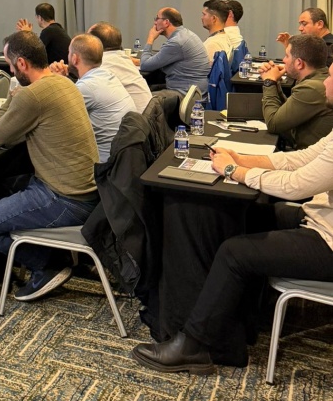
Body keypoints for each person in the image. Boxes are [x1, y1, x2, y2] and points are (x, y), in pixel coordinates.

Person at [131, 64, 333, 374]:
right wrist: (241, 158)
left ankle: (194, 346)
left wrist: (232, 170)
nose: (325, 82)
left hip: (327, 241)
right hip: (320, 219)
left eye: (331, 76)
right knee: (250, 215)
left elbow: (296, 185)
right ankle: (242, 319)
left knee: (234, 252)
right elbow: (300, 158)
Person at [0, 31, 99, 301]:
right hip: (87, 192)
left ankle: (48, 264)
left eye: (11, 65)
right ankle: (50, 253)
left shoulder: (32, 95)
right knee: (5, 184)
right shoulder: (64, 83)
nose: (10, 71)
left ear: (22, 63)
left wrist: (14, 94)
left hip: (65, 199)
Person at [62, 33, 135, 163]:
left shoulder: (87, 87)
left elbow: (54, 113)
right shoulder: (107, 75)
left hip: (102, 165)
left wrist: (53, 79)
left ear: (74, 58)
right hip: (123, 160)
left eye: (69, 52)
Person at [258, 34, 333, 150]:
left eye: (287, 56)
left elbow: (273, 124)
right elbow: (287, 113)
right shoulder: (318, 78)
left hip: (307, 156)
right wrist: (275, 82)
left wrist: (269, 82)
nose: (283, 60)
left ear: (299, 63)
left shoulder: (311, 88)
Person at [139, 7, 210, 96]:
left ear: (166, 22)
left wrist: (150, 39)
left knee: (141, 97)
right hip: (195, 90)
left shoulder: (176, 42)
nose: (155, 22)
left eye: (157, 18)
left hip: (185, 94)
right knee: (149, 88)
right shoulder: (187, 34)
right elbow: (161, 57)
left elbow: (144, 66)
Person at [87, 22, 152, 114]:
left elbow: (81, 95)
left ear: (94, 44)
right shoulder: (123, 58)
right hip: (148, 116)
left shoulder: (101, 64)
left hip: (133, 120)